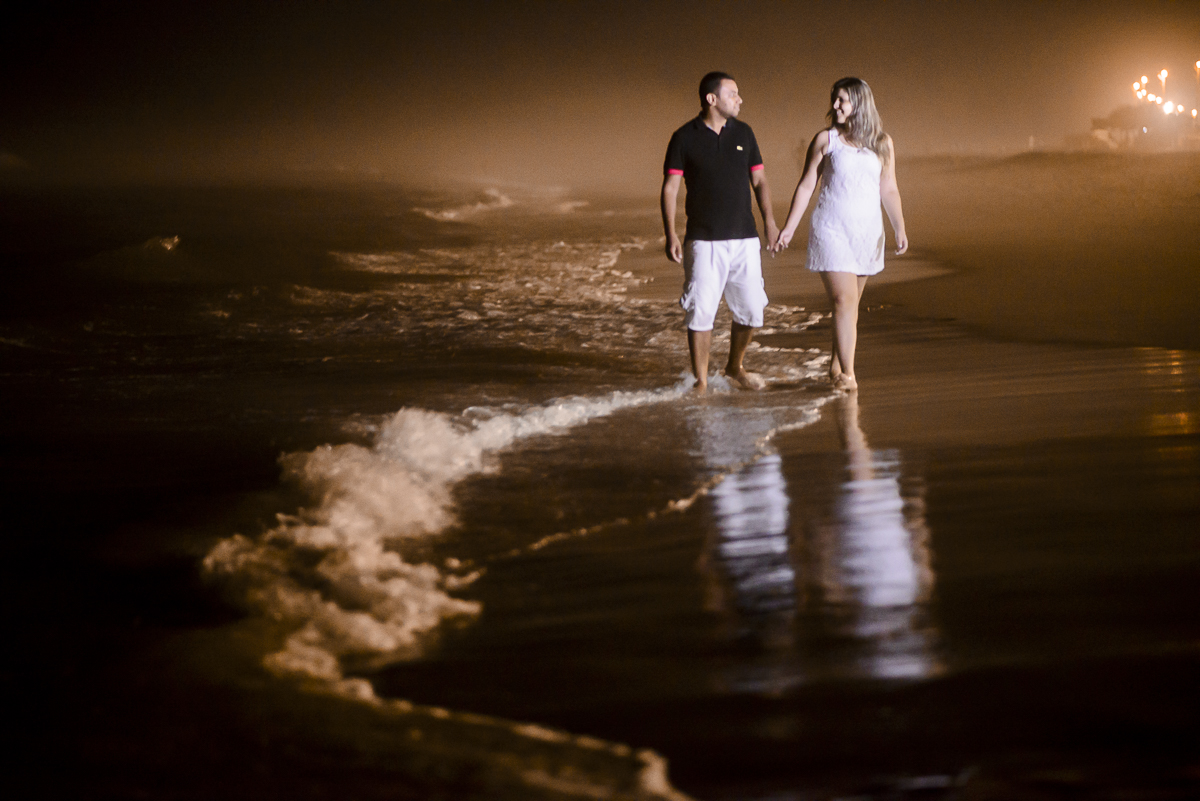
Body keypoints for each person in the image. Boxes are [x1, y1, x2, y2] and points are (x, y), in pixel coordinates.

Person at [772, 77, 908, 392]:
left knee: (849, 307)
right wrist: (789, 228)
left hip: (867, 233)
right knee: (843, 300)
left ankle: (835, 365)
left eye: (841, 100)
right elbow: (807, 184)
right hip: (831, 230)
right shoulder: (826, 140)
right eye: (834, 99)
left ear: (859, 103)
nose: (834, 106)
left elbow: (889, 188)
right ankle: (848, 375)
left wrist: (899, 226)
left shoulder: (883, 143)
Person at [662, 71, 779, 392]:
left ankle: (734, 367)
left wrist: (769, 221)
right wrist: (671, 234)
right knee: (700, 311)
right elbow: (670, 188)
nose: (740, 99)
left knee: (752, 309)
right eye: (732, 94)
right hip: (704, 240)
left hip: (745, 238)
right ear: (711, 99)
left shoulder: (745, 133)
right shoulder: (684, 137)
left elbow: (760, 180)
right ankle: (701, 381)